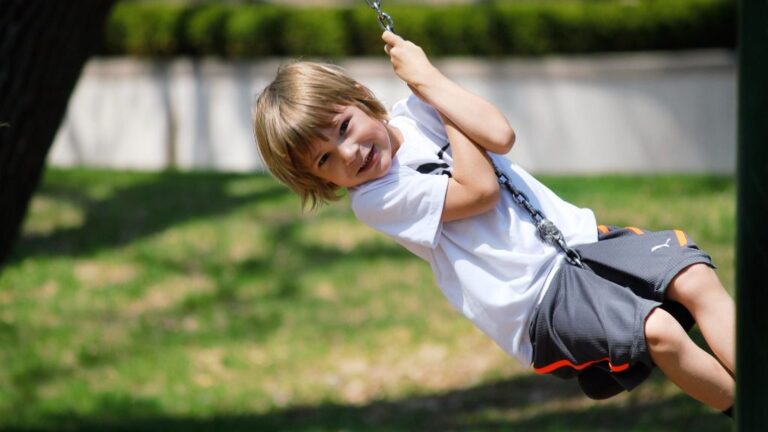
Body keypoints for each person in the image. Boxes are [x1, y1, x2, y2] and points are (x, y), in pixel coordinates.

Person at [252, 31, 735, 416]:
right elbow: (479, 191)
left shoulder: (418, 109)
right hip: (534, 300)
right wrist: (439, 99)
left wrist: (428, 80)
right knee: (659, 331)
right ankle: (747, 410)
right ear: (318, 180)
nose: (350, 153)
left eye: (344, 128)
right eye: (325, 159)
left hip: (581, 243)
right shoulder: (377, 198)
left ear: (360, 96)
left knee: (694, 276)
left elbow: (500, 134)